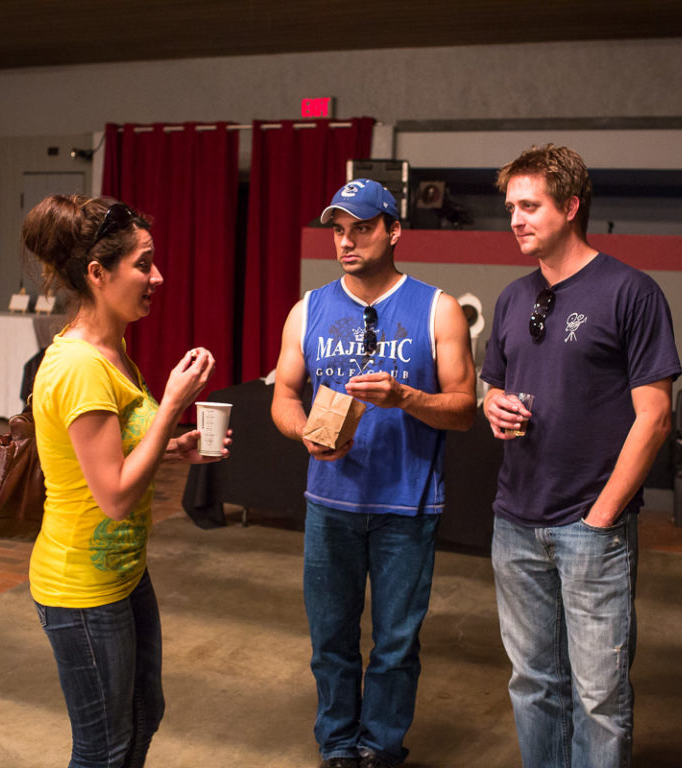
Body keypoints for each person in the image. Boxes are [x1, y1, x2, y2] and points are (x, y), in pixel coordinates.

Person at [480, 145, 682, 768]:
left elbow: (655, 416)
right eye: (511, 206)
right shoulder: (514, 296)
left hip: (590, 527)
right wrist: (493, 404)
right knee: (534, 685)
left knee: (599, 696)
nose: (515, 218)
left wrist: (602, 517)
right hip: (515, 521)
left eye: (530, 205)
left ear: (570, 207)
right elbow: (492, 383)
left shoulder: (631, 292)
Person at [271, 178, 476, 768]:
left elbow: (465, 408)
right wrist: (303, 430)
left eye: (361, 227)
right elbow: (284, 396)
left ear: (393, 231)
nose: (347, 241)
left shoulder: (437, 308)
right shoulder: (307, 309)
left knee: (395, 646)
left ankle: (380, 749)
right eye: (338, 230)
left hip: (407, 508)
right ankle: (337, 747)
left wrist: (406, 398)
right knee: (331, 643)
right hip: (329, 504)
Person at [22, 194, 231, 768]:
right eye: (143, 264)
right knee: (103, 747)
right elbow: (113, 496)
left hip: (121, 573)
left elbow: (102, 463)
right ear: (97, 273)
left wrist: (169, 448)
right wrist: (171, 408)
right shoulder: (80, 366)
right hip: (81, 589)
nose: (156, 276)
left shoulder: (111, 353)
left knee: (144, 713)